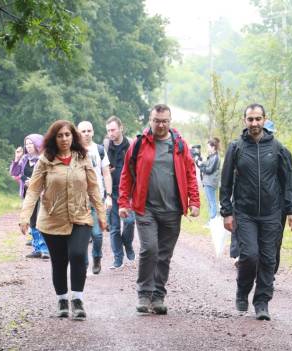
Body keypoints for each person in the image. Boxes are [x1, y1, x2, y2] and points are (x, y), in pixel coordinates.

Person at [19, 120, 107, 320]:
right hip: (52, 219)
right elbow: (33, 190)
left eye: (67, 135)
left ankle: (77, 299)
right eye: (60, 136)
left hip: (80, 216)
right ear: (54, 139)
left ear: (73, 136)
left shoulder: (83, 158)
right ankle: (62, 299)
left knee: (77, 255)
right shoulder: (45, 160)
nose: (64, 139)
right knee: (59, 262)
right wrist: (24, 217)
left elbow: (93, 188)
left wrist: (101, 214)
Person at [219, 104, 292, 321]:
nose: (254, 123)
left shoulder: (278, 149)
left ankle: (262, 302)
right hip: (244, 212)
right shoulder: (236, 148)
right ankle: (242, 289)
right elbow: (225, 182)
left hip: (273, 213)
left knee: (268, 259)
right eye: (250, 119)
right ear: (244, 121)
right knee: (249, 255)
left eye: (258, 119)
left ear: (265, 120)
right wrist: (226, 211)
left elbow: (290, 181)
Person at [118, 104, 200, 315]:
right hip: (145, 208)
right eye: (157, 121)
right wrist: (123, 203)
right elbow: (126, 174)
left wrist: (194, 202)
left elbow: (190, 173)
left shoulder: (180, 145)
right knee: (150, 249)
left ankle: (158, 295)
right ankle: (144, 293)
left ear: (170, 121)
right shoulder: (138, 144)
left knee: (164, 255)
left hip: (172, 209)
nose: (161, 125)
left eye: (164, 121)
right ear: (150, 120)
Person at [77, 120, 113, 274]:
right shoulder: (73, 151)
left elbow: (106, 173)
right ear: (78, 133)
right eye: (83, 131)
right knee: (82, 235)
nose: (86, 134)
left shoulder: (99, 150)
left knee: (97, 234)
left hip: (97, 198)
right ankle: (84, 263)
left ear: (93, 132)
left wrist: (109, 196)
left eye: (88, 131)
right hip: (78, 200)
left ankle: (97, 257)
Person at [10, 134, 50, 259]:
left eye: (30, 143)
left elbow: (49, 175)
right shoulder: (24, 159)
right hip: (28, 194)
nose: (28, 146)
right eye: (26, 144)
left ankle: (45, 249)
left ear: (37, 144)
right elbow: (14, 173)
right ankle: (37, 248)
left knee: (41, 220)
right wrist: (16, 158)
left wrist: (35, 182)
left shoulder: (44, 159)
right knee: (32, 221)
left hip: (43, 194)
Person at [105, 116, 136, 269]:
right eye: (108, 130)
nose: (111, 133)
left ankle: (128, 244)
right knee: (114, 227)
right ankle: (118, 258)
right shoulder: (105, 146)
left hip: (128, 192)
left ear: (121, 128)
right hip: (111, 191)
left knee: (129, 222)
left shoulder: (130, 144)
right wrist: (106, 171)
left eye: (113, 129)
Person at [195, 137, 221, 221]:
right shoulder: (211, 156)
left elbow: (209, 170)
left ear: (213, 147)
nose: (207, 148)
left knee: (212, 202)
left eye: (208, 146)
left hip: (211, 183)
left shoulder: (216, 157)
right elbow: (205, 165)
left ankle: (213, 221)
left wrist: (202, 167)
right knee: (210, 202)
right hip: (207, 182)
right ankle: (211, 220)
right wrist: (198, 162)